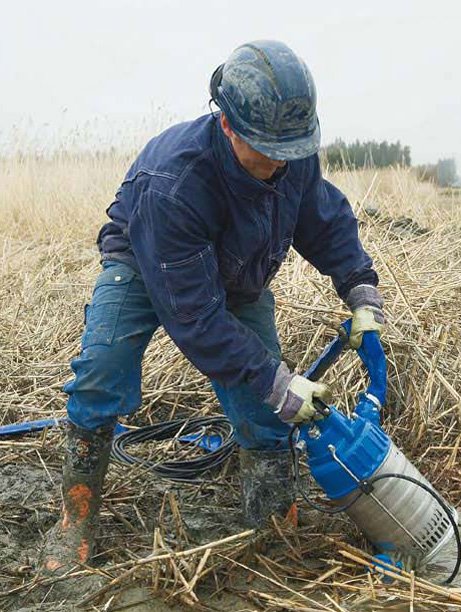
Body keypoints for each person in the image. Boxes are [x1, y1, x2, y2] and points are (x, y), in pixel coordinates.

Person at [40, 40, 385, 575]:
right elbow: (195, 317)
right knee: (99, 374)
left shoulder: (291, 153)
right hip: (145, 261)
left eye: (289, 150)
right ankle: (75, 522)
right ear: (227, 125)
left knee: (268, 411)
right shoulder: (174, 183)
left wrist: (359, 286)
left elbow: (323, 218)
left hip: (240, 269)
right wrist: (275, 377)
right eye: (264, 148)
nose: (277, 163)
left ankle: (273, 529)